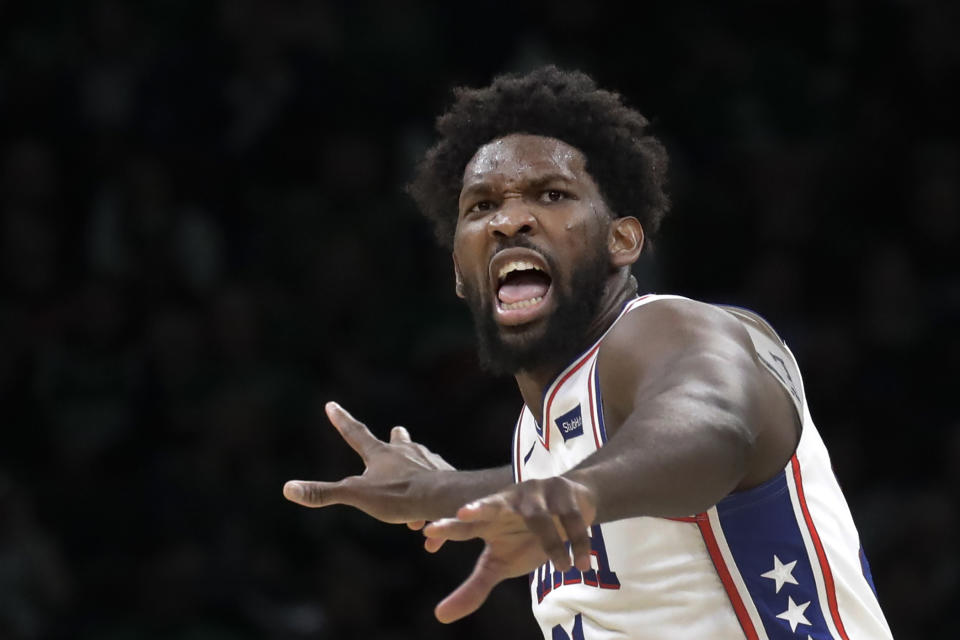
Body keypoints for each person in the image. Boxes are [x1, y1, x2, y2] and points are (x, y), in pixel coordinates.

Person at [282, 66, 893, 639]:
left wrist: (569, 498)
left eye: (551, 195)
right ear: (460, 275)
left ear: (622, 240)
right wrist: (440, 492)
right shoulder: (540, 430)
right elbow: (579, 467)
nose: (509, 221)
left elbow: (711, 423)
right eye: (482, 206)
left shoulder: (669, 331)